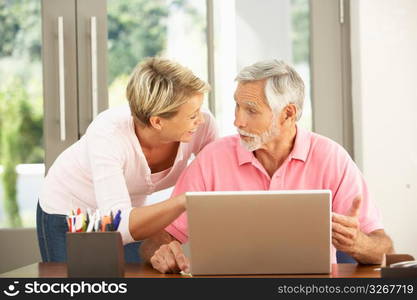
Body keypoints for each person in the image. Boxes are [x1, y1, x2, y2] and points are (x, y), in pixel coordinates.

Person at [139, 59, 394, 273]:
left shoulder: (331, 158)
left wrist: (357, 243)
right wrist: (161, 250)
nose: (237, 120)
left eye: (251, 110)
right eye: (237, 106)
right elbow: (156, 238)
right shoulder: (213, 159)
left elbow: (384, 248)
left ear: (288, 114)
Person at [37, 57, 218, 263]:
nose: (201, 119)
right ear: (157, 121)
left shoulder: (203, 126)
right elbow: (119, 227)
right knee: (78, 288)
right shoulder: (108, 134)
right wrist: (183, 201)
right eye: (193, 115)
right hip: (73, 210)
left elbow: (216, 176)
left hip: (126, 214)